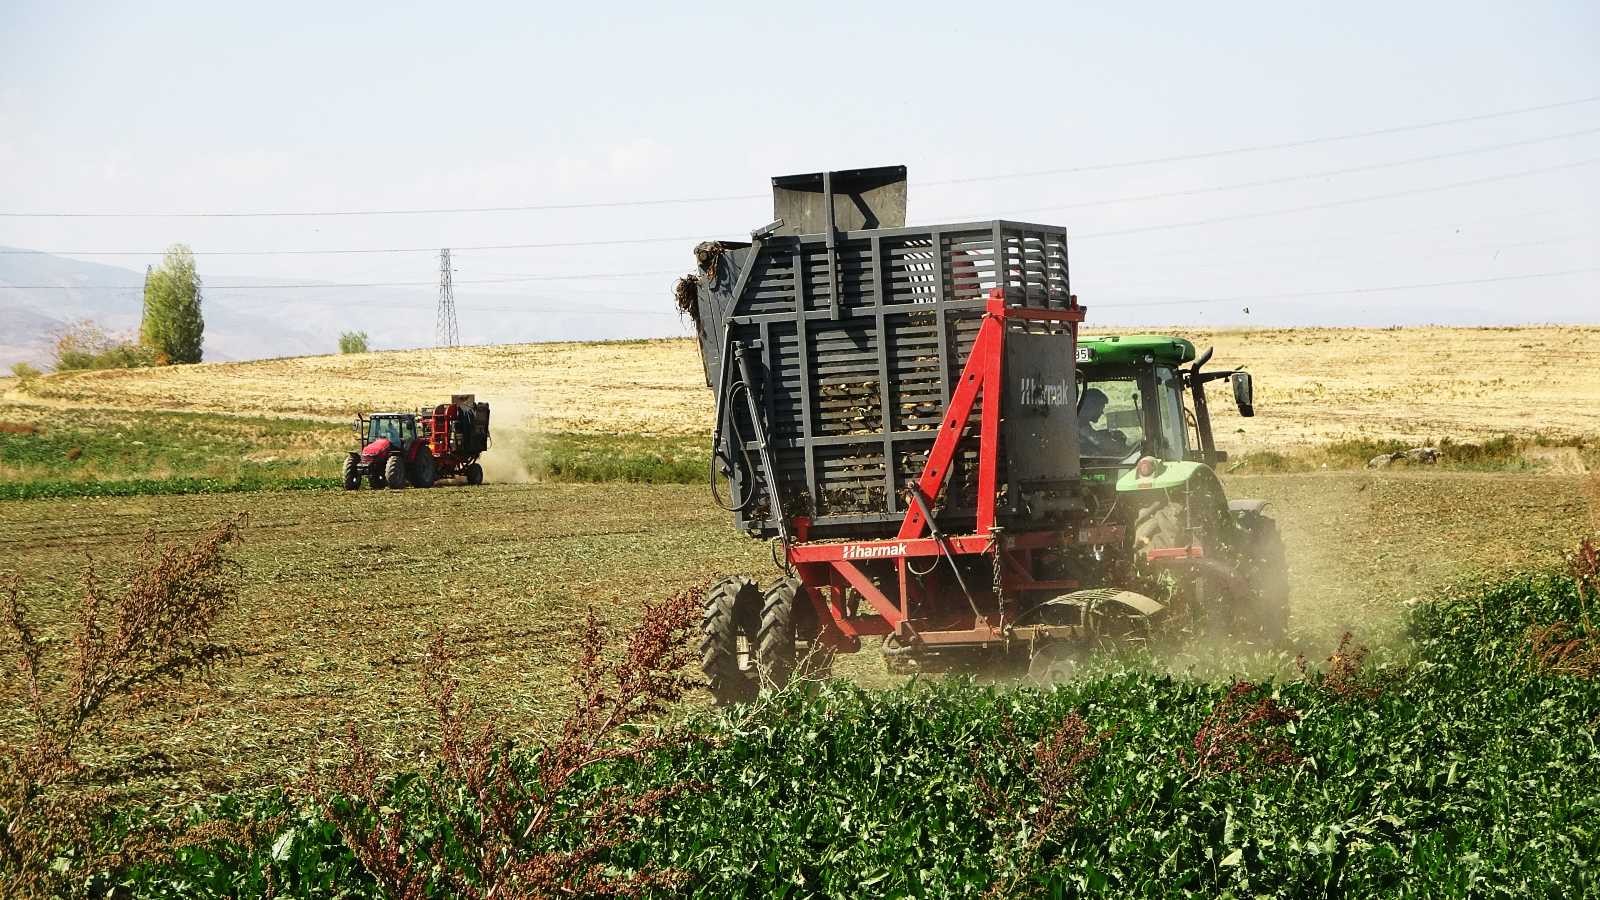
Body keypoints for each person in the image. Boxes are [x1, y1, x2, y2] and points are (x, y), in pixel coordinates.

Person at [1078, 387, 1129, 457]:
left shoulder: (1081, 421)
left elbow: (1089, 435)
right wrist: (1121, 448)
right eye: (1100, 408)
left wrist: (1110, 434)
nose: (1102, 412)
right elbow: (1099, 442)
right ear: (1092, 406)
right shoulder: (1079, 422)